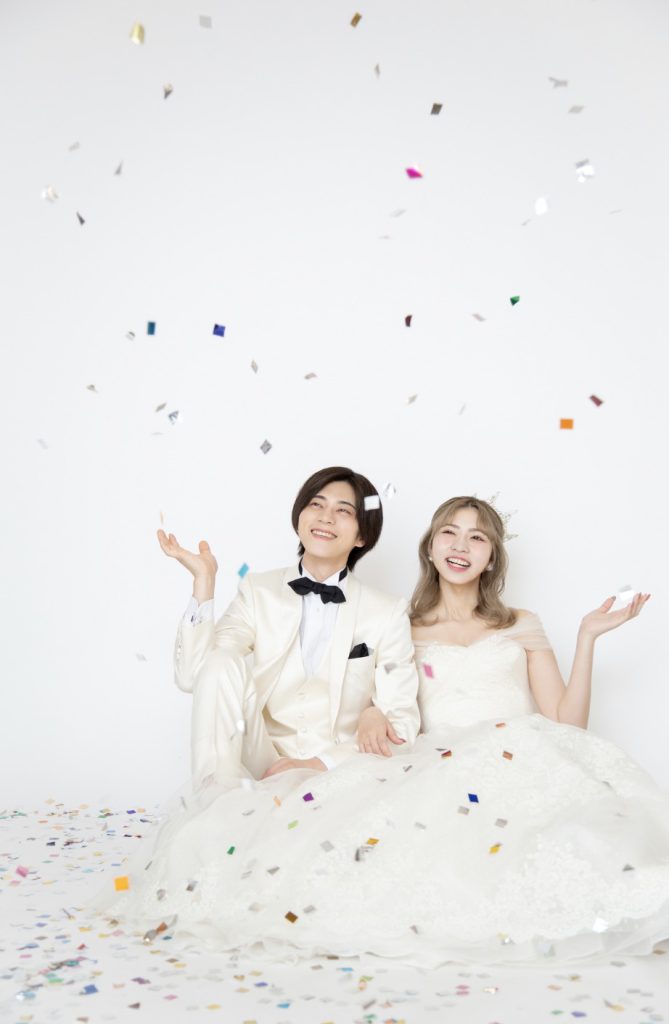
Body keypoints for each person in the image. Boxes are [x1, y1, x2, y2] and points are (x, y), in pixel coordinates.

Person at [95, 497, 669, 967]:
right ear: (430, 547)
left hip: (523, 754)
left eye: (476, 538)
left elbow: (567, 723)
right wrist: (372, 712)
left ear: (492, 555)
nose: (461, 547)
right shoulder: (400, 623)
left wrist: (588, 637)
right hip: (442, 764)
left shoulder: (521, 624)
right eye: (449, 533)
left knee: (580, 844)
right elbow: (385, 699)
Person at [160, 465, 420, 787]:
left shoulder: (387, 612)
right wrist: (204, 583)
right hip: (262, 760)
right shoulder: (258, 591)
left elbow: (402, 724)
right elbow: (194, 676)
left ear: (362, 536)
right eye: (316, 504)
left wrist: (317, 764)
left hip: (335, 769)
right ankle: (215, 795)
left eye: (343, 511)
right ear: (299, 518)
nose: (326, 517)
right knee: (222, 660)